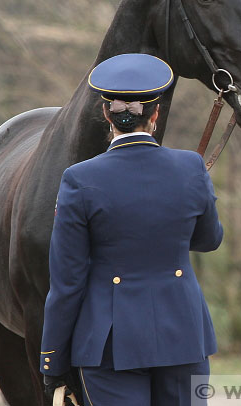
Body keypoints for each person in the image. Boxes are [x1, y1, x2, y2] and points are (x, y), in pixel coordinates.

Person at [39, 53, 223, 406]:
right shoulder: (191, 167)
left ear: (107, 114)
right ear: (155, 115)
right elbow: (209, 240)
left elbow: (67, 282)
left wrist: (52, 360)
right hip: (183, 336)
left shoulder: (80, 179)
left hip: (109, 345)